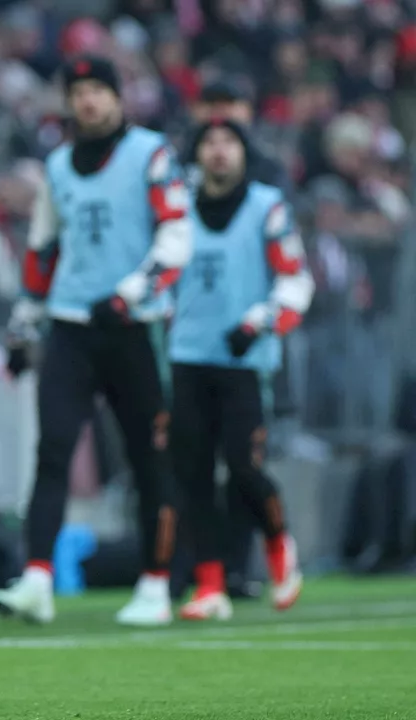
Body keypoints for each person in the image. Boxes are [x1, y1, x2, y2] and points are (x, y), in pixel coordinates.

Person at [0, 56, 192, 626]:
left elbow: (177, 233)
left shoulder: (151, 153)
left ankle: (156, 583)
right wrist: (24, 325)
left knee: (149, 458)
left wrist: (131, 293)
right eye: (78, 90)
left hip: (135, 328)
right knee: (52, 449)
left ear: (119, 96)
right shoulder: (56, 165)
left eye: (99, 89)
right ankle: (37, 578)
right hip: (73, 326)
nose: (88, 101)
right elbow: (43, 248)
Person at [171, 119, 311, 620]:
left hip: (245, 361)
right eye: (208, 142)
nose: (219, 152)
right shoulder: (176, 206)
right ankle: (210, 586)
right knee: (194, 474)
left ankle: (278, 547)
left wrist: (259, 323)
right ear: (197, 154)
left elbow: (296, 282)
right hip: (187, 356)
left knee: (244, 468)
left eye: (228, 142)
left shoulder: (267, 208)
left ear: (244, 153)